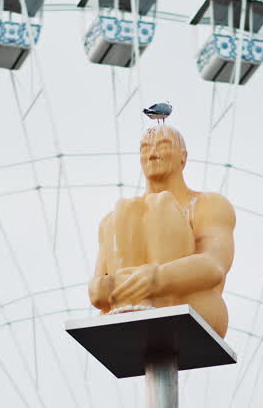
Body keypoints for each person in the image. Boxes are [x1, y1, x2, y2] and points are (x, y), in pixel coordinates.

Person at [88, 123, 235, 338]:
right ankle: (135, 303)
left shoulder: (209, 204)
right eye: (145, 148)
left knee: (161, 204)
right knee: (125, 208)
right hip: (126, 308)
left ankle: (151, 301)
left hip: (194, 307)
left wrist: (157, 278)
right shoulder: (113, 220)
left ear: (183, 157)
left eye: (163, 145)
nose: (152, 154)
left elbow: (213, 265)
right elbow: (96, 290)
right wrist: (125, 284)